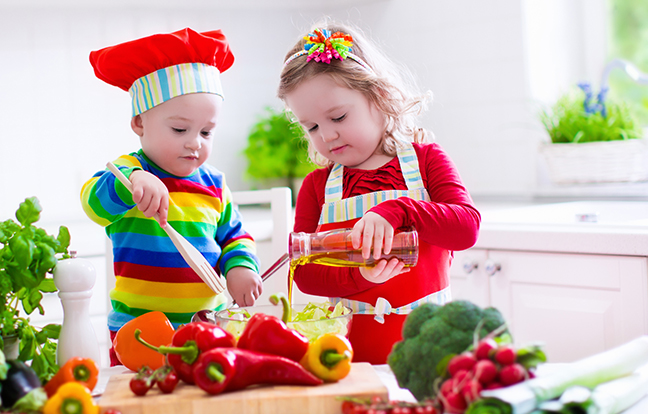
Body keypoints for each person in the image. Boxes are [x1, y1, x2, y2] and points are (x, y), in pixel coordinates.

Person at [278, 23, 480, 364]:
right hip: (353, 359)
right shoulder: (317, 187)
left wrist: (401, 209)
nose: (326, 135)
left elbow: (467, 228)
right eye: (311, 126)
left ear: (379, 97)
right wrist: (360, 275)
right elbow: (305, 273)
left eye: (338, 116)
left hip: (433, 354)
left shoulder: (426, 159)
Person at [85, 28, 262, 365]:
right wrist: (134, 181)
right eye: (180, 129)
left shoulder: (215, 184)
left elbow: (236, 236)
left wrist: (240, 266)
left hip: (209, 325)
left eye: (206, 131)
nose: (195, 142)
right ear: (139, 122)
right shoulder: (128, 171)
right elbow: (93, 202)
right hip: (138, 330)